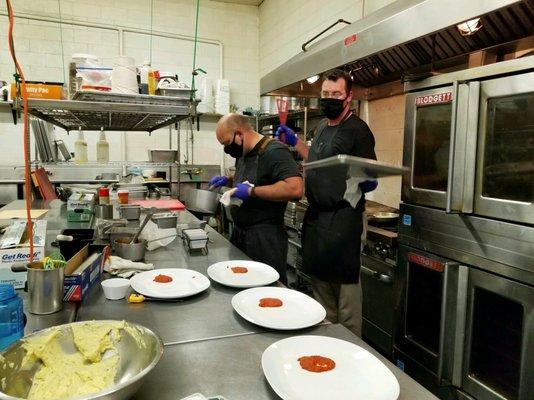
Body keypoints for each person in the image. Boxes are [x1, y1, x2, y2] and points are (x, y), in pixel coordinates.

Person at [276, 69, 377, 335]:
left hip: (344, 219)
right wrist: (295, 142)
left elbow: (368, 173)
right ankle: (328, 346)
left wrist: (368, 179)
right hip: (318, 219)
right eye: (325, 94)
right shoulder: (321, 127)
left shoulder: (358, 130)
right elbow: (316, 158)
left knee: (346, 302)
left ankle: (351, 354)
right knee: (322, 298)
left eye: (336, 94)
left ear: (348, 97)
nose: (329, 99)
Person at [209, 113, 303, 285]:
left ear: (239, 134)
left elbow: (295, 188)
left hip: (265, 239)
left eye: (227, 144)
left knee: (268, 289)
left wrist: (253, 192)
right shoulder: (243, 152)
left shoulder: (274, 151)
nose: (227, 149)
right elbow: (256, 178)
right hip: (241, 234)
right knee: (241, 285)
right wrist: (228, 179)